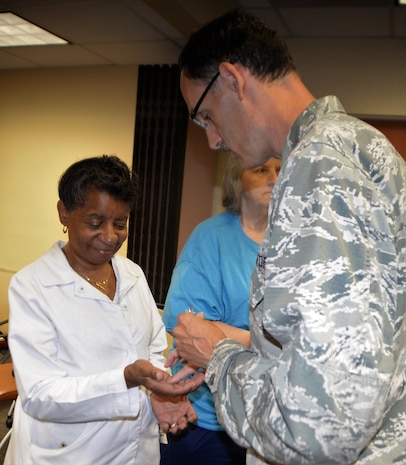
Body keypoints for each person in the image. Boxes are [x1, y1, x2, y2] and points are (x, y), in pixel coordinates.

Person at [170, 8, 406, 465]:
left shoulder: (316, 167)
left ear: (232, 81)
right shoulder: (367, 145)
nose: (212, 141)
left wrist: (217, 357)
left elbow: (318, 427)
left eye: (204, 118)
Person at [5, 155, 204, 465]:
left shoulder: (132, 274)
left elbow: (153, 348)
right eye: (95, 223)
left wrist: (159, 391)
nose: (111, 237)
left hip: (136, 449)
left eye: (120, 223)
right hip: (66, 453)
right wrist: (125, 378)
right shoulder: (32, 287)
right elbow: (40, 396)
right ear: (64, 213)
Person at [161, 155, 280, 465]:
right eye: (261, 170)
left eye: (281, 170)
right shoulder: (211, 238)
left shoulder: (290, 242)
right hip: (209, 417)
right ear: (236, 179)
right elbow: (188, 326)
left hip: (268, 414)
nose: (274, 178)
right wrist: (278, 346)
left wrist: (226, 333)